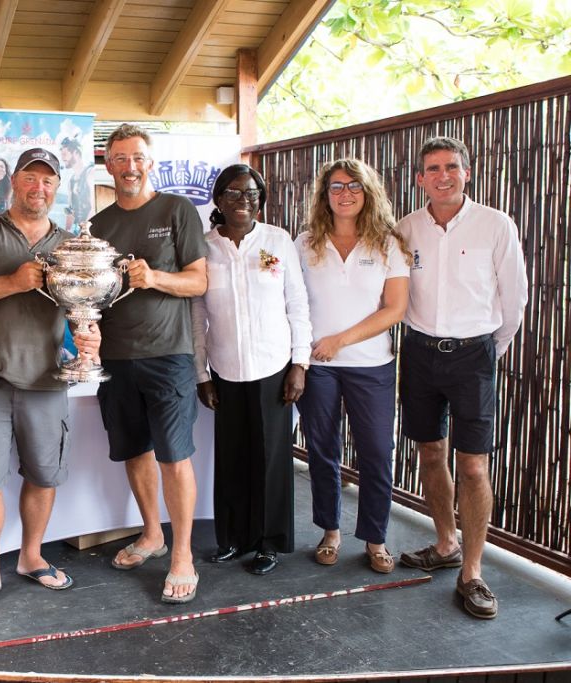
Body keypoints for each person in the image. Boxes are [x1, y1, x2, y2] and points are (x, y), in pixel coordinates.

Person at [0, 147, 101, 614]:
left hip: (49, 381)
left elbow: (84, 309)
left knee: (43, 475)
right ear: (15, 182)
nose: (40, 188)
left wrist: (90, 339)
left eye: (48, 180)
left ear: (57, 187)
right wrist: (13, 281)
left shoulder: (71, 245)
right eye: (31, 178)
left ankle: (31, 557)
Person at [396, 137, 528, 619]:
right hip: (419, 352)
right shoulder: (406, 228)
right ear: (420, 178)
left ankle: (471, 572)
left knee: (473, 466)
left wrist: (490, 350)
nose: (443, 175)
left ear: (466, 173)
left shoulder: (495, 224)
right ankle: (445, 542)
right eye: (433, 168)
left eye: (452, 167)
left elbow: (515, 299)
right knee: (430, 453)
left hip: (474, 355)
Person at [91, 124, 207, 603]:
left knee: (174, 457)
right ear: (108, 164)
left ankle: (183, 555)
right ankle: (152, 535)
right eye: (120, 158)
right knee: (135, 452)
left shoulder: (177, 210)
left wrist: (154, 276)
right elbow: (93, 296)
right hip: (116, 358)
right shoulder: (99, 227)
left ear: (150, 161)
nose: (130, 166)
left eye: (137, 157)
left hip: (168, 355)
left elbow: (198, 282)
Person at [191, 164, 311, 576]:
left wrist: (300, 363)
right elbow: (197, 313)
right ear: (219, 199)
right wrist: (202, 374)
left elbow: (297, 303)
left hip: (273, 368)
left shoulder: (276, 241)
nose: (246, 201)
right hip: (225, 369)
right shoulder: (205, 247)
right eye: (236, 194)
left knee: (270, 460)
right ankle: (233, 538)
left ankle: (268, 542)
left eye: (253, 194)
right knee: (231, 459)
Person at [294, 159, 410, 574]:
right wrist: (303, 354)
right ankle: (330, 531)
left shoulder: (388, 245)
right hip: (318, 367)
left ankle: (375, 539)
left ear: (368, 192)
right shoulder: (305, 244)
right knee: (323, 451)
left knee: (378, 452)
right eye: (336, 187)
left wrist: (339, 341)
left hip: (371, 366)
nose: (345, 194)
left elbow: (395, 309)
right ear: (325, 196)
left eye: (353, 186)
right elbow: (294, 302)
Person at [59, 136, 93, 232]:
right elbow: (70, 211)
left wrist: (84, 233)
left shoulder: (90, 173)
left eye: (65, 154)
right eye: (61, 154)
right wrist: (66, 233)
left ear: (76, 153)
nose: (62, 158)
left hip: (89, 231)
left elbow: (93, 208)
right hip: (76, 231)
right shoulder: (71, 181)